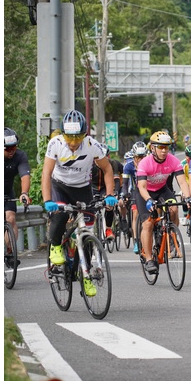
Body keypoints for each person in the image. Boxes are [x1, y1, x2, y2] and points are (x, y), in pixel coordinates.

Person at [40, 110, 118, 297]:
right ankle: (56, 247)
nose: (74, 142)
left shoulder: (92, 145)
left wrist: (109, 194)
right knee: (60, 215)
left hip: (82, 188)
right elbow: (46, 173)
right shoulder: (55, 144)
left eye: (78, 137)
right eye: (69, 137)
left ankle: (86, 276)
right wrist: (47, 200)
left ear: (85, 135)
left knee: (87, 233)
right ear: (63, 134)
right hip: (60, 186)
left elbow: (107, 170)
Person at [136, 130, 191, 273]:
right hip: (145, 192)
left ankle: (172, 237)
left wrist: (188, 196)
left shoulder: (173, 160)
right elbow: (141, 187)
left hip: (162, 190)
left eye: (166, 147)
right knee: (148, 223)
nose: (164, 150)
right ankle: (149, 259)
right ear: (152, 148)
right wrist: (148, 200)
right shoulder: (144, 163)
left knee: (173, 209)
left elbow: (182, 183)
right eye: (160, 147)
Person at [4, 127, 31, 268]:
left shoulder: (20, 156)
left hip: (7, 192)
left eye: (13, 147)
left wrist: (24, 193)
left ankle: (10, 252)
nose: (11, 151)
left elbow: (24, 176)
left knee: (11, 218)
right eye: (7, 149)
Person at [90, 142, 122, 241]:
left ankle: (108, 229)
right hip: (92, 187)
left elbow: (116, 180)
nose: (101, 161)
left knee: (109, 205)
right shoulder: (89, 164)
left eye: (104, 157)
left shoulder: (113, 163)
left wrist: (114, 193)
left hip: (105, 187)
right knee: (89, 206)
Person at [123, 142, 149, 253]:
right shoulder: (128, 166)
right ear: (134, 156)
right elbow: (124, 183)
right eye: (138, 157)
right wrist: (124, 194)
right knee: (135, 214)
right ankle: (137, 240)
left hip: (150, 190)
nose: (140, 159)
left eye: (143, 157)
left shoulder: (150, 163)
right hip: (136, 191)